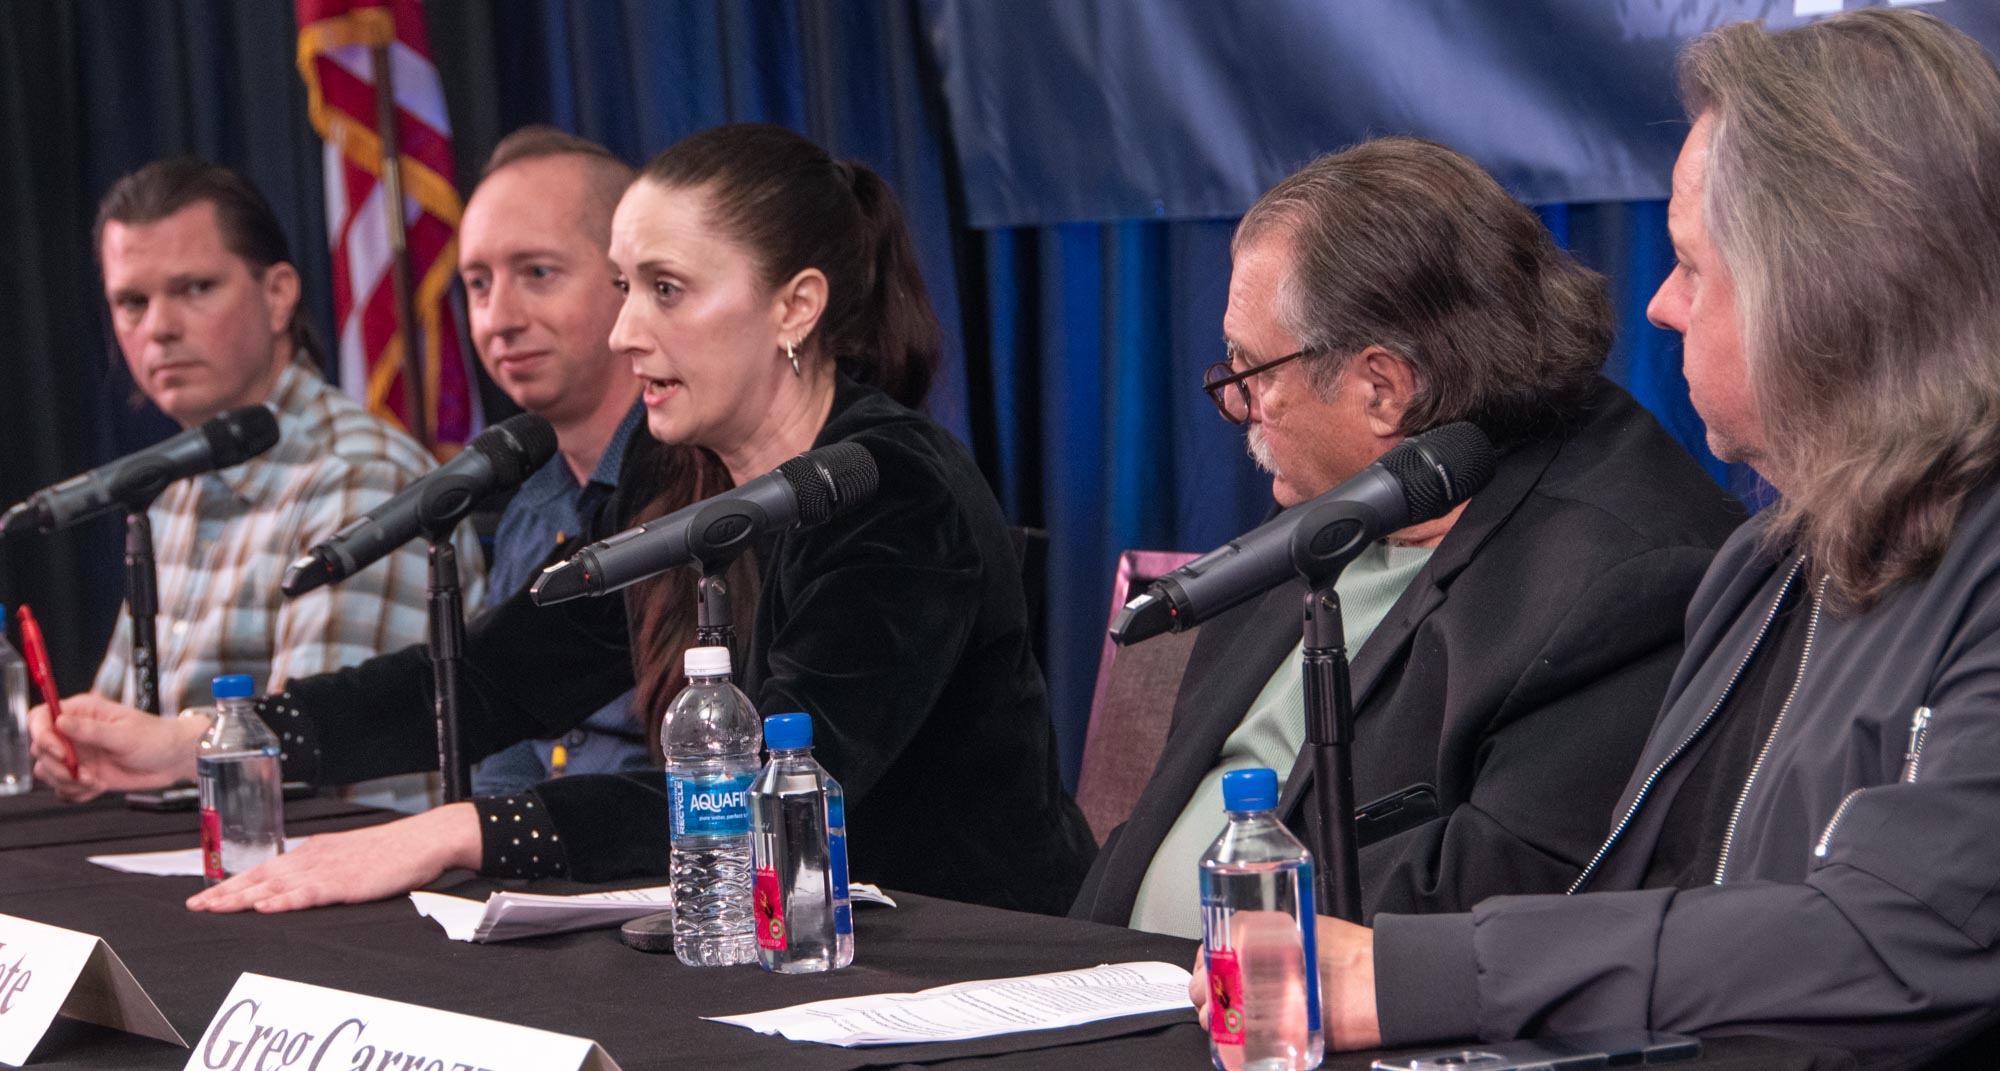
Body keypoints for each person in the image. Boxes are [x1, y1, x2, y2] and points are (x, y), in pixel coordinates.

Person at [1191, 10, 2000, 1065]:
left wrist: (1407, 978)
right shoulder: (1766, 569)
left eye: (1691, 267)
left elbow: (1904, 937)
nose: (1660, 308)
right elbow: (1653, 908)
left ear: (1824, 289)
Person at [35, 124, 1095, 917]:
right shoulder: (686, 475)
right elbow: (495, 677)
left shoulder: (890, 487)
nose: (627, 331)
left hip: (973, 951)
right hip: (783, 945)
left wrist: (462, 833)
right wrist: (204, 743)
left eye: (667, 291)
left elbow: (779, 782)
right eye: (626, 287)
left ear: (795, 307)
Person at [1070, 137, 1744, 940]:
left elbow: (1496, 908)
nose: (1242, 409)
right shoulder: (1330, 509)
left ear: (1384, 387)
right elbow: (1151, 833)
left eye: (1255, 375)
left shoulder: (1624, 573)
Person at [69, 159, 480, 807]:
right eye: (132, 302)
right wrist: (73, 739)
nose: (159, 328)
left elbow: (316, 763)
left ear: (279, 293)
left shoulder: (358, 478)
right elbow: (122, 730)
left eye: (195, 288)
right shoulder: (173, 485)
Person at [453, 127, 655, 794]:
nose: (498, 316)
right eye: (478, 283)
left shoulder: (693, 486)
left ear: (630, 281)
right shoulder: (530, 509)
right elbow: (504, 749)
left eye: (537, 273)